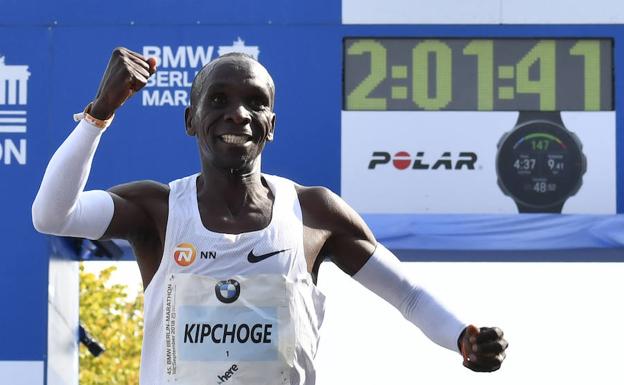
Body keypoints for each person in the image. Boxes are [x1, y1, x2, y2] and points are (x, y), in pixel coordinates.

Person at [32, 47, 507, 385]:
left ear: (271, 127)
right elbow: (53, 214)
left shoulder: (315, 213)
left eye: (255, 102)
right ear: (190, 119)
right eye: (217, 100)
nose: (237, 113)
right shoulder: (156, 210)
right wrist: (100, 112)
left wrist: (461, 336)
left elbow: (409, 297)